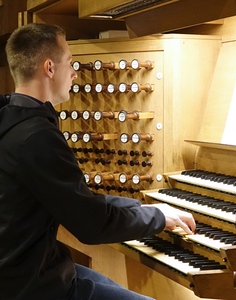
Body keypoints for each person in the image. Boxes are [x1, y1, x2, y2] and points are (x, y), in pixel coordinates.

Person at [0, 23, 196, 300]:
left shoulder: (13, 119)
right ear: (49, 69)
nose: (75, 72)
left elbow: (76, 201)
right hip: (29, 287)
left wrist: (143, 207)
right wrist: (156, 217)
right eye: (70, 62)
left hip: (29, 269)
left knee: (110, 284)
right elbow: (91, 224)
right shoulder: (36, 138)